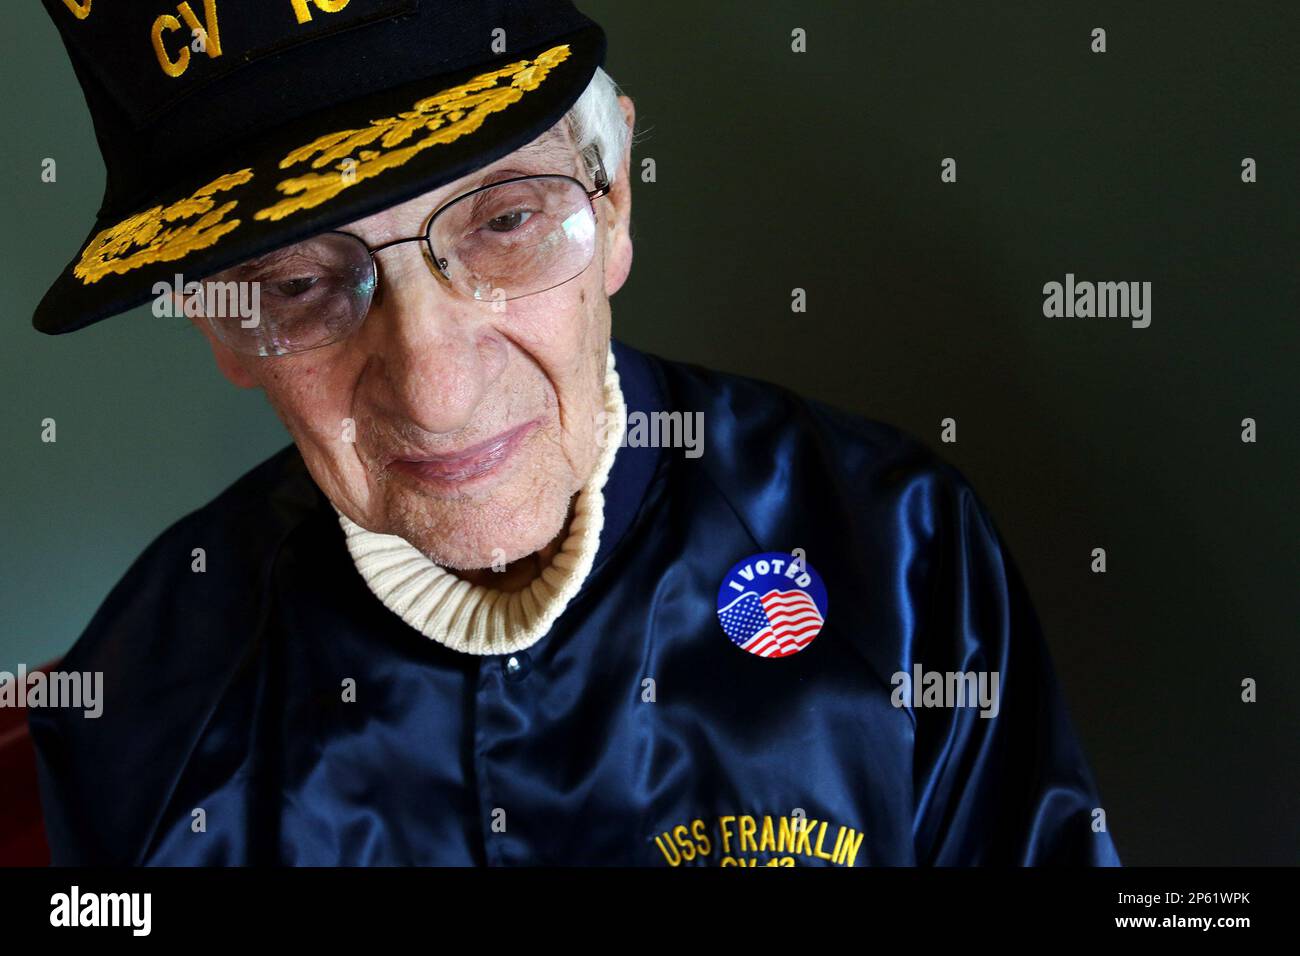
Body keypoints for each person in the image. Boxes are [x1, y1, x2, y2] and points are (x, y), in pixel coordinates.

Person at [29, 0, 1119, 866]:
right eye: (304, 281)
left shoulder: (899, 554)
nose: (437, 388)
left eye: (504, 220)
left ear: (616, 206)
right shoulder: (142, 705)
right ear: (219, 326)